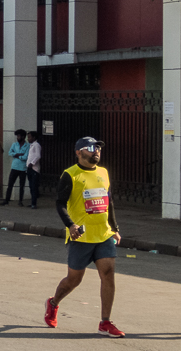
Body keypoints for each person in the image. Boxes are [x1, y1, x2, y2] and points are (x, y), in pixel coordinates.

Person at [43, 137, 124, 337]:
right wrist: (70, 225)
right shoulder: (70, 175)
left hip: (103, 234)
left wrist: (114, 228)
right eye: (91, 148)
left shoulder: (103, 173)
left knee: (108, 274)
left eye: (98, 148)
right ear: (78, 152)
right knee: (74, 280)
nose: (96, 151)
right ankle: (53, 303)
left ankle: (105, 322)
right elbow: (60, 203)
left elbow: (109, 201)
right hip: (81, 237)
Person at [0, 129, 29, 206]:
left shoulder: (28, 145)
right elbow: (10, 153)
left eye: (19, 136)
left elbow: (26, 157)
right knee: (10, 184)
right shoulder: (14, 144)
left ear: (23, 137)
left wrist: (16, 155)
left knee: (21, 186)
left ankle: (20, 201)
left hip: (23, 168)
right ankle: (6, 200)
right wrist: (19, 154)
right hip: (14, 167)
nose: (17, 137)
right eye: (17, 136)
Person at [25, 131, 41, 210]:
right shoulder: (31, 145)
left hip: (34, 169)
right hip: (30, 168)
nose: (28, 139)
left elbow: (38, 156)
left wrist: (32, 163)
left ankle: (34, 203)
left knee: (34, 186)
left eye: (30, 137)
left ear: (34, 137)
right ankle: (32, 202)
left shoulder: (36, 145)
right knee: (31, 186)